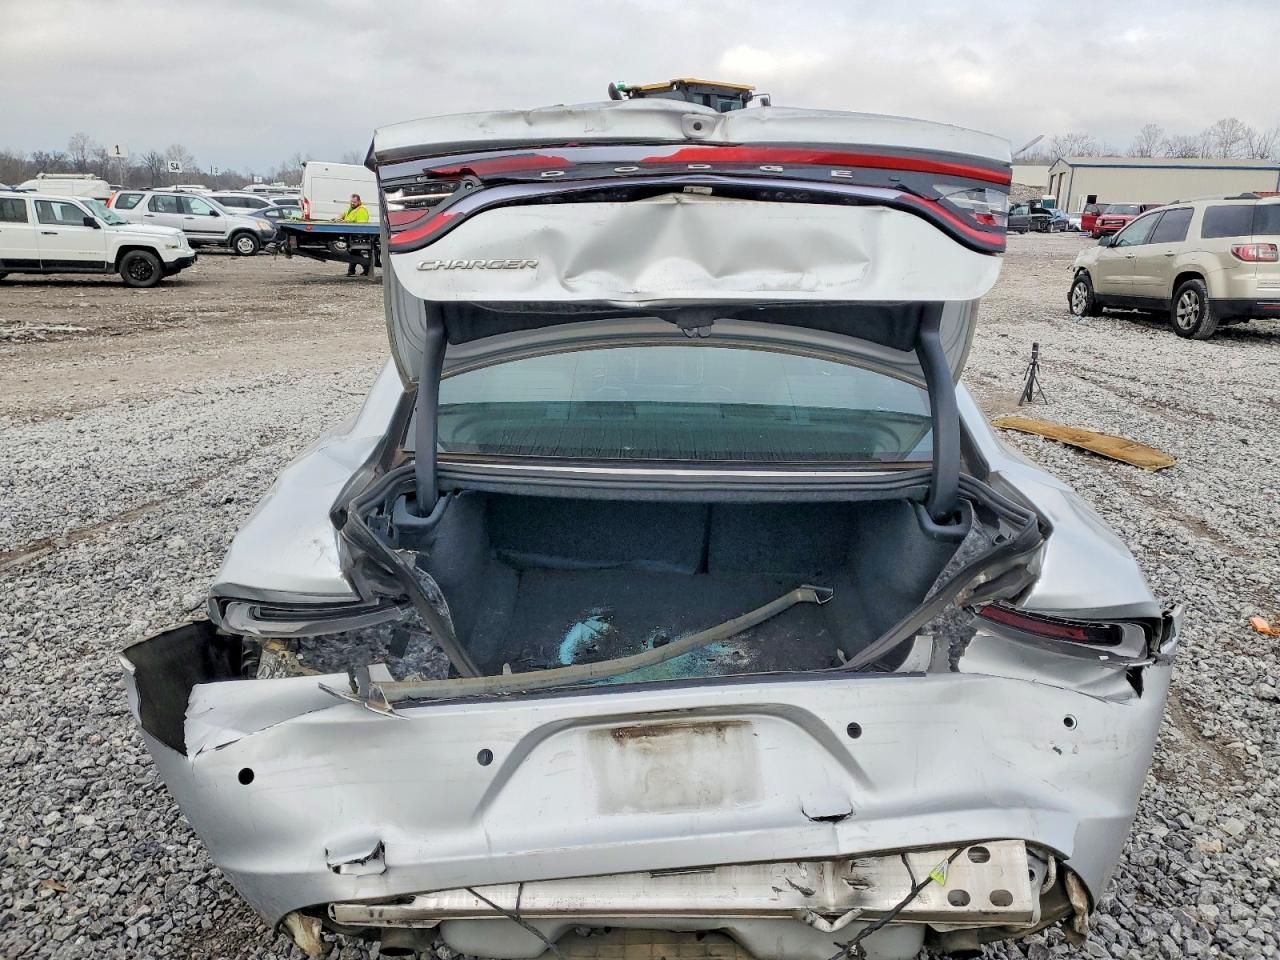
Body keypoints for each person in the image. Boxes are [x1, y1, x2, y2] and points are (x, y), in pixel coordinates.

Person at [338, 194, 371, 276]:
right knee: (353, 252)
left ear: (359, 201)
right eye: (351, 201)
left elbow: (361, 224)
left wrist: (347, 222)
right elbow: (346, 215)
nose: (352, 203)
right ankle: (353, 270)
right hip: (353, 234)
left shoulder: (361, 210)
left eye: (354, 202)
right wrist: (340, 217)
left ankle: (364, 268)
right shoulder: (352, 208)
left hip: (359, 235)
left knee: (354, 252)